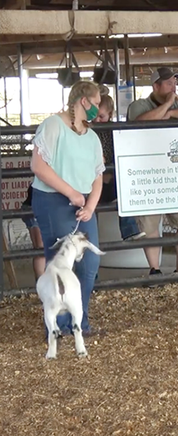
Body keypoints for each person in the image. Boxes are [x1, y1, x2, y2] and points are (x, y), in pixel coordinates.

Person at [31, 80, 105, 336]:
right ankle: (57, 326)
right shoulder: (53, 125)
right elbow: (39, 167)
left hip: (82, 203)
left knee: (89, 262)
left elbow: (98, 175)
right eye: (95, 103)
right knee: (60, 263)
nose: (97, 108)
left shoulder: (92, 137)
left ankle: (78, 321)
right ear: (83, 101)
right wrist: (71, 192)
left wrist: (90, 205)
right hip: (53, 199)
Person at [127, 67, 178, 280]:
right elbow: (140, 121)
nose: (174, 87)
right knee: (149, 224)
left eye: (174, 82)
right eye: (169, 83)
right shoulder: (139, 105)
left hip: (177, 176)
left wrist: (171, 111)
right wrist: (169, 105)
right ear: (156, 86)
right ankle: (155, 270)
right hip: (149, 174)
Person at [93, 93, 145, 241]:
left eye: (101, 116)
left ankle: (129, 231)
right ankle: (91, 238)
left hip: (111, 179)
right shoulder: (88, 131)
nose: (97, 120)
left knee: (124, 189)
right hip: (93, 179)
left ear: (110, 114)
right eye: (95, 116)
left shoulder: (117, 132)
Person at [20, 184, 45, 280]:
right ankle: (41, 285)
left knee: (41, 249)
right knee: (40, 249)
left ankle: (42, 284)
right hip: (35, 206)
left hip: (41, 207)